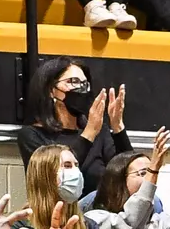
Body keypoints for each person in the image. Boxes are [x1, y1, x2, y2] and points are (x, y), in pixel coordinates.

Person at [19, 57, 131, 192]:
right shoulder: (32, 135)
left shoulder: (99, 131)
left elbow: (128, 172)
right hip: (63, 207)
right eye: (73, 82)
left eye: (84, 84)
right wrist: (89, 133)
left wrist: (117, 126)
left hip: (100, 209)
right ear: (51, 89)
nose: (81, 89)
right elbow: (56, 179)